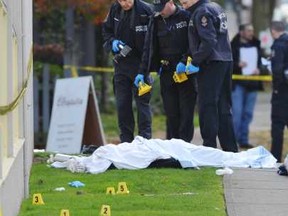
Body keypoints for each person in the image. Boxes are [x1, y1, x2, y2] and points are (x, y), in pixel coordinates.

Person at [179, 0, 238, 152]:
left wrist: (196, 62)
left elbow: (208, 40)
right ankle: (230, 148)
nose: (182, 2)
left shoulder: (201, 12)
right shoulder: (215, 6)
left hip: (211, 62)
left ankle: (209, 147)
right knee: (224, 106)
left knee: (207, 105)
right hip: (225, 59)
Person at [136, 0, 197, 142]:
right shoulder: (155, 20)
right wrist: (142, 71)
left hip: (185, 71)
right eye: (157, 8)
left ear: (171, 2)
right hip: (167, 71)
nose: (160, 11)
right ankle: (173, 147)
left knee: (186, 114)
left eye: (162, 8)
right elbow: (149, 47)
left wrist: (185, 61)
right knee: (171, 114)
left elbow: (194, 42)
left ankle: (185, 147)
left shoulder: (186, 16)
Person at [102, 0, 153, 142]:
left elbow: (151, 44)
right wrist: (112, 42)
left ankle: (145, 140)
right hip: (121, 65)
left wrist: (144, 71)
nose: (125, 3)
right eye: (121, 0)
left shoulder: (146, 10)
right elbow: (106, 30)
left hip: (141, 65)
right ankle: (126, 141)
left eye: (127, 0)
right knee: (122, 105)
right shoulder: (115, 9)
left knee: (142, 105)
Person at [231, 24, 263, 149]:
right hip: (238, 84)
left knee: (248, 114)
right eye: (249, 30)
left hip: (253, 84)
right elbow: (228, 64)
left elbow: (261, 62)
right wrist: (238, 65)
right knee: (236, 114)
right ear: (241, 32)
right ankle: (232, 141)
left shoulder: (256, 44)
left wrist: (259, 69)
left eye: (252, 30)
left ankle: (243, 140)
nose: (251, 33)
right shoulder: (232, 46)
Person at [269, 21, 288, 162]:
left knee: (277, 124)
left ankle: (275, 158)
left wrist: (275, 88)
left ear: (273, 31)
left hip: (281, 91)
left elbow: (277, 70)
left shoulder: (278, 45)